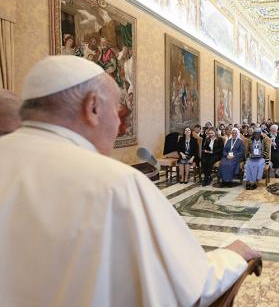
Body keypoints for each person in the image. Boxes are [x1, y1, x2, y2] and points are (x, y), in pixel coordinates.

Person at [0, 56, 260, 306]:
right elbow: (189, 286)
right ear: (92, 107)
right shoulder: (115, 183)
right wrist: (231, 255)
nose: (121, 126)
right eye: (117, 111)